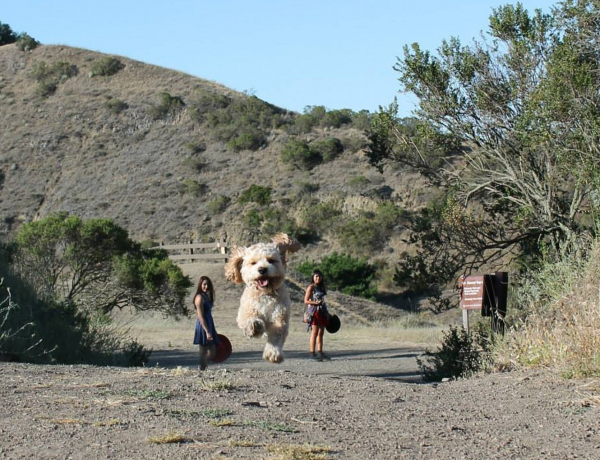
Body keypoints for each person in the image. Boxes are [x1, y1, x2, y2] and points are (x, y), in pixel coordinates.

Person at [192, 275, 220, 370]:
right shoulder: (199, 297)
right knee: (203, 350)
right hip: (203, 325)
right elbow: (200, 316)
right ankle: (202, 369)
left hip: (209, 323)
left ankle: (202, 365)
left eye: (208, 285)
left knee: (212, 351)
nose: (206, 287)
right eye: (204, 284)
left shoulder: (206, 296)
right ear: (200, 285)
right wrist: (207, 331)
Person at [304, 269, 331, 361]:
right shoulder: (311, 287)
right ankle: (312, 353)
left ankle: (320, 352)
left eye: (319, 276)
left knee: (321, 333)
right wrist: (315, 303)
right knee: (314, 332)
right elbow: (306, 300)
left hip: (322, 311)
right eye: (316, 276)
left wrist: (327, 312)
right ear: (313, 277)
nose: (318, 278)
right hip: (313, 311)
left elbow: (323, 301)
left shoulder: (321, 287)